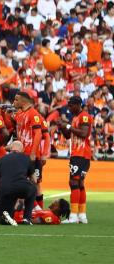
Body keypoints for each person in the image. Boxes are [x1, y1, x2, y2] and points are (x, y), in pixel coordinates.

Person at [61, 95, 92, 223]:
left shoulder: (84, 116)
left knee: (74, 182)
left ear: (78, 104)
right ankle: (82, 215)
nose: (69, 107)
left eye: (71, 105)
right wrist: (63, 128)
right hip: (78, 153)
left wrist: (68, 127)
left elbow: (84, 133)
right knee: (79, 183)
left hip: (81, 153)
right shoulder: (74, 118)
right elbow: (68, 136)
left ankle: (73, 216)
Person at [0, 141, 37, 225]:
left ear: (11, 149)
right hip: (22, 188)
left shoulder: (1, 159)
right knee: (34, 189)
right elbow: (34, 180)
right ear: (22, 150)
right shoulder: (27, 158)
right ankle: (26, 218)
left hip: (5, 190)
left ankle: (8, 217)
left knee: (6, 219)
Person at [12, 90, 45, 206]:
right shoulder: (20, 114)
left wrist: (33, 153)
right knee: (23, 182)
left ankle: (39, 210)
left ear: (23, 101)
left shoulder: (33, 114)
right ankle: (30, 208)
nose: (13, 102)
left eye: (16, 100)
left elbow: (39, 134)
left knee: (35, 183)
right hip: (21, 155)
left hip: (30, 155)